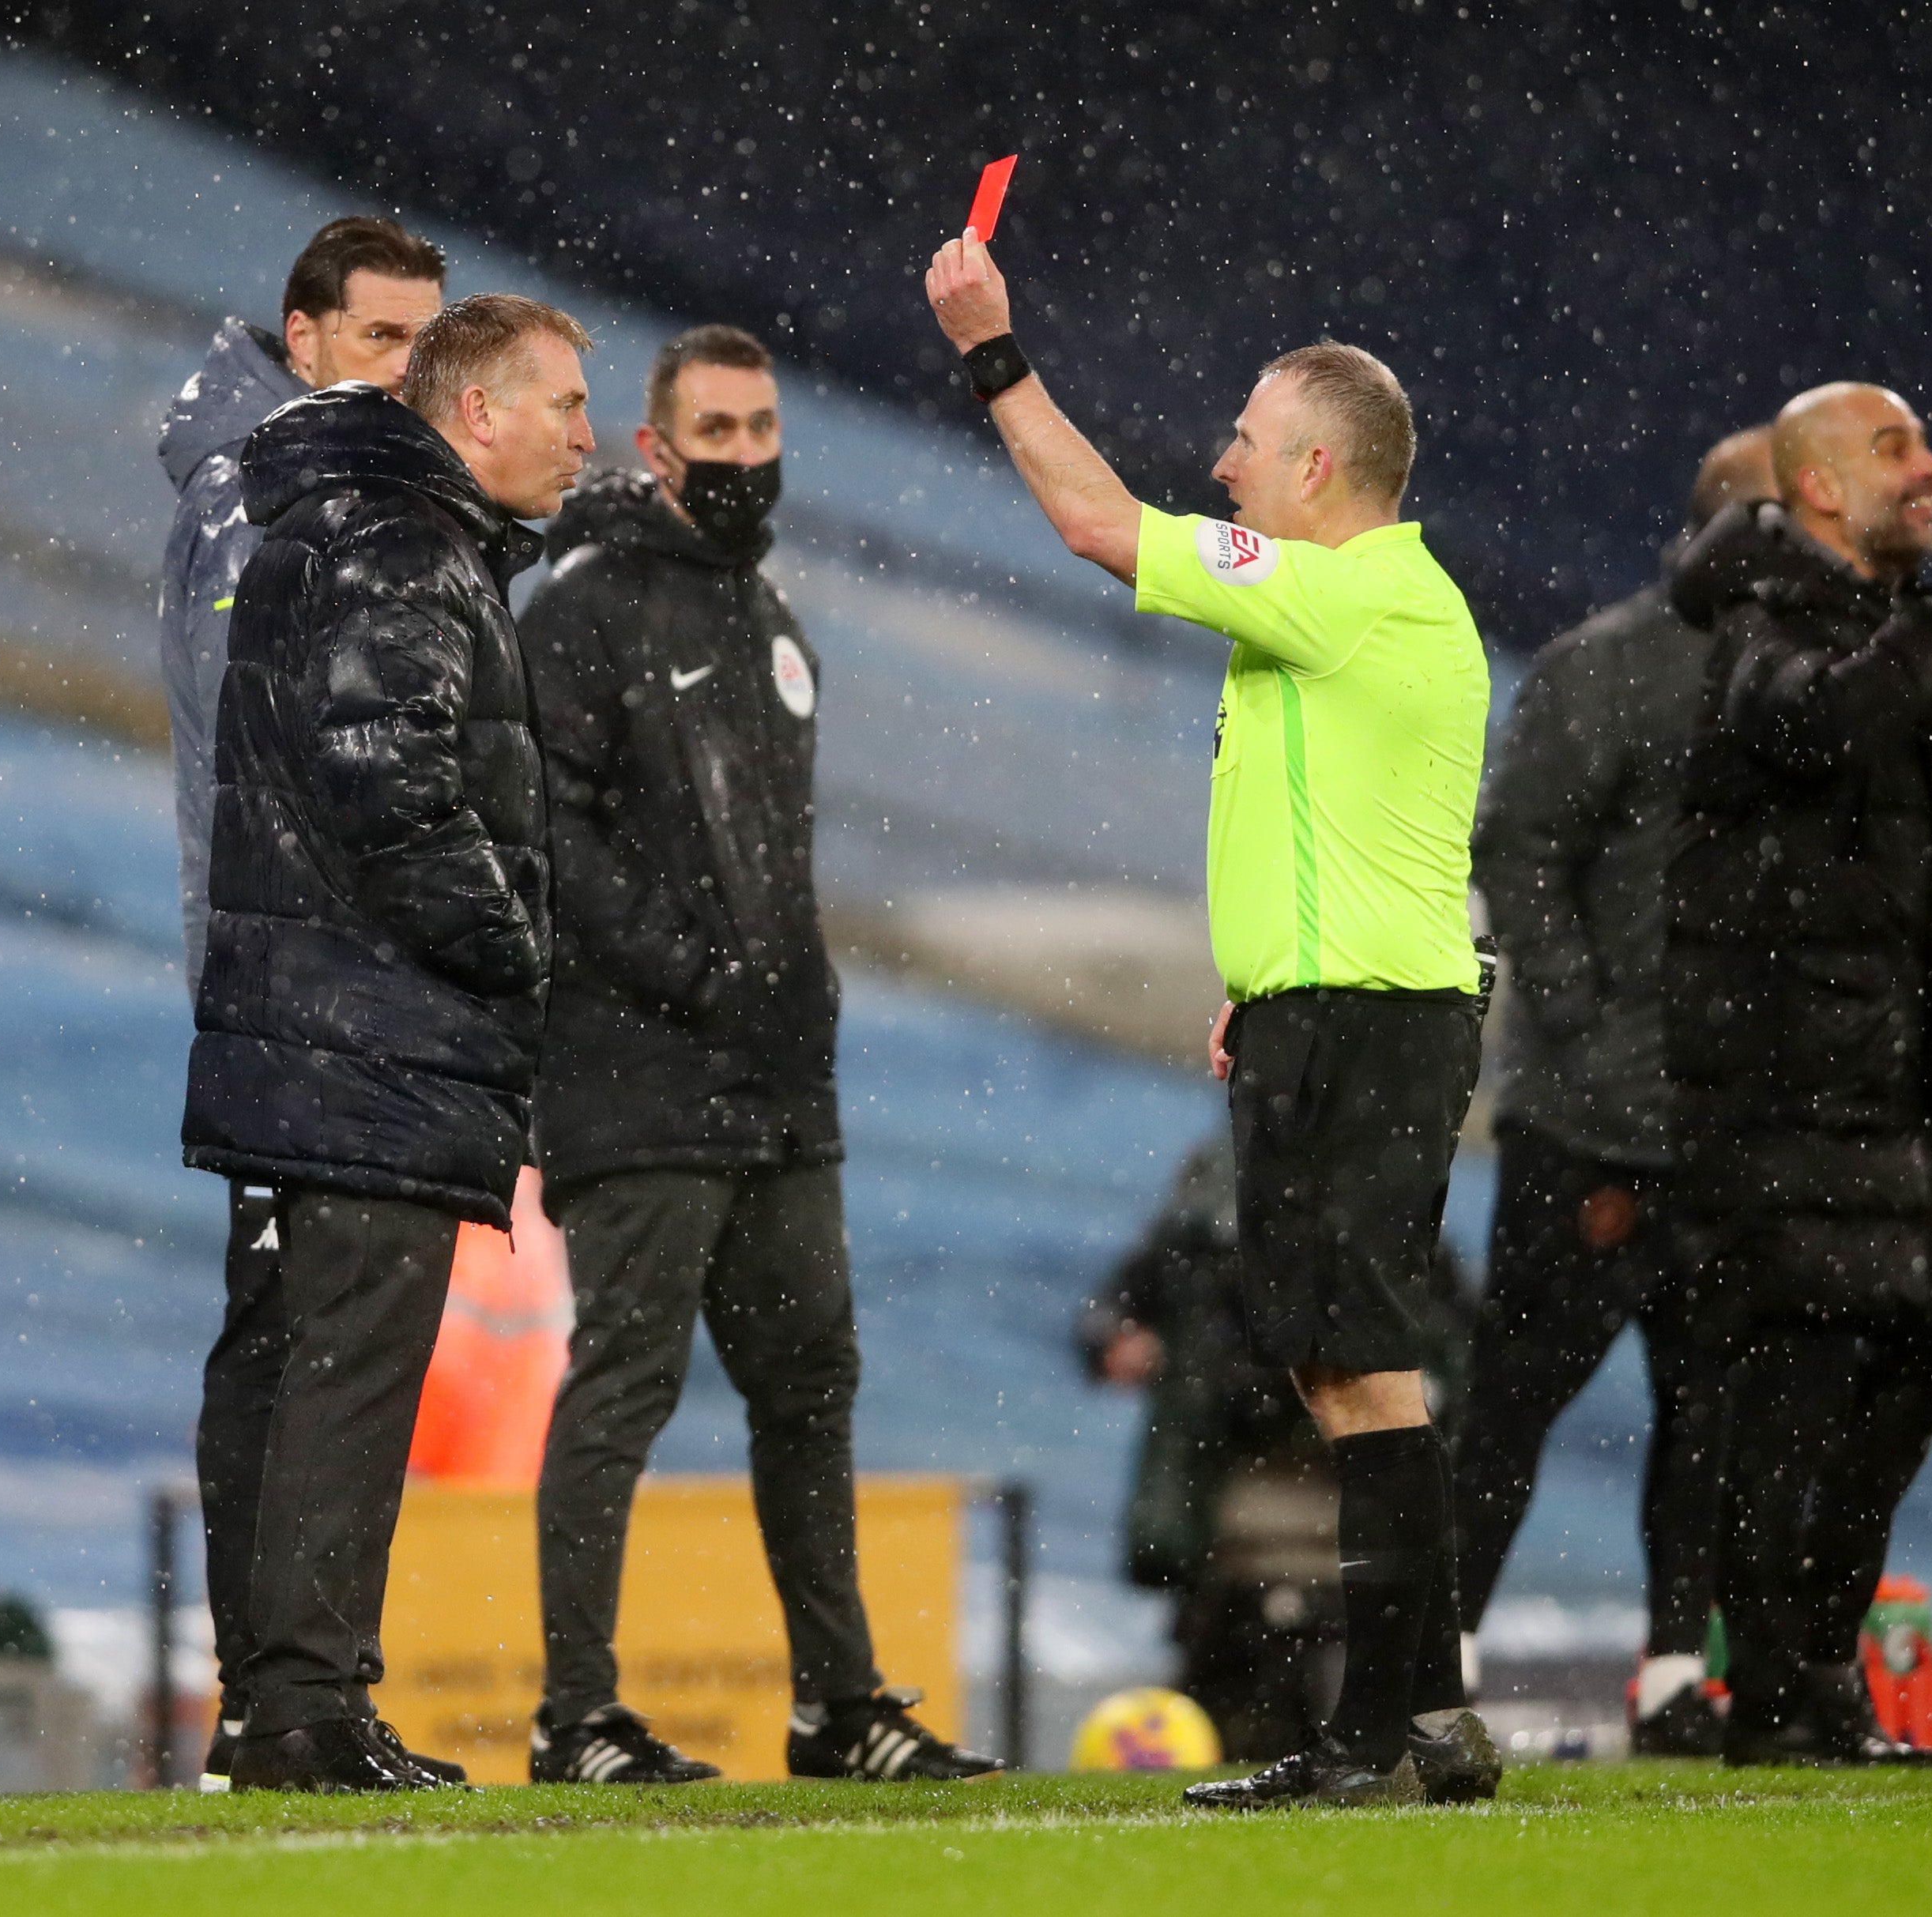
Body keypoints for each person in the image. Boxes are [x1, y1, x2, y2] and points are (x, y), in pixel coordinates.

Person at [1456, 427, 1932, 1756]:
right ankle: (1447, 1664)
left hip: (1723, 1116)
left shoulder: (1817, 657)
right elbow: (1517, 859)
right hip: (1597, 1124)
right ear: (1758, 526)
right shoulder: (1645, 668)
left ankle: (1672, 1681)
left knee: (1708, 1410)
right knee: (1532, 1397)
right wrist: (1598, 1041)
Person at [923, 232, 1500, 1810]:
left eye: (1246, 442)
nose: (1222, 464)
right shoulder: (1355, 613)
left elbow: (1098, 525)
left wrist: (992, 352)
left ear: (1317, 466)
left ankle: (1394, 1728)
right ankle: (1419, 1716)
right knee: (1334, 1362)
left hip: (1371, 1025)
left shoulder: (1350, 595)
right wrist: (1265, 987)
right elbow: (1337, 826)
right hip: (1332, 1015)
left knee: (1362, 1365)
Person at [518, 325, 1000, 1786]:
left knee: (809, 1387)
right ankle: (575, 1721)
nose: (741, 457)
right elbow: (551, 840)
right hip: (639, 1076)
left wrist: (784, 1004)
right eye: (712, 433)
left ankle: (837, 1707)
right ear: (650, 450)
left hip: (779, 1086)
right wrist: (698, 977)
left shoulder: (770, 619)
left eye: (759, 429)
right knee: (623, 1389)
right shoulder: (577, 609)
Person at [182, 292, 597, 1793]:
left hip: (329, 1026)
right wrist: (513, 947)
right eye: (560, 406)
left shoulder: (363, 527)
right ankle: (302, 1709)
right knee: (347, 1374)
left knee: (317, 1369)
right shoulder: (405, 544)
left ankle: (297, 1702)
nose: (583, 438)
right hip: (371, 1033)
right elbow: (389, 783)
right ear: (475, 413)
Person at [1665, 382, 1932, 1766]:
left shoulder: (1871, 632)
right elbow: (1790, 725)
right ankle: (1784, 1696)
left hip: (1880, 1086)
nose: (1929, 466)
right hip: (1779, 1079)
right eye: (1893, 450)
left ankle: (1801, 1673)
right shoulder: (1759, 618)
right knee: (1798, 1376)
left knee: (1922, 1339)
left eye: (1921, 440)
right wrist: (1926, 643)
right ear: (1813, 491)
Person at [156, 213, 449, 1795]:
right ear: (309, 333)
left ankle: (283, 1706)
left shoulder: (324, 493)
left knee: (293, 1332)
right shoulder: (266, 496)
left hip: (314, 984)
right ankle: (283, 1707)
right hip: (294, 988)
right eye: (387, 339)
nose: (413, 370)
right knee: (299, 1342)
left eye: (428, 337)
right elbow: (282, 746)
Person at [1078, 1133, 1473, 1762]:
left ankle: (1356, 1754)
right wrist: (1115, 1338)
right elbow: (1119, 1305)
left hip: (1334, 1495)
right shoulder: (1214, 1201)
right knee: (1232, 1696)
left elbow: (1455, 1336)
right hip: (1235, 1499)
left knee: (1340, 1685)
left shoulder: (1377, 1198)